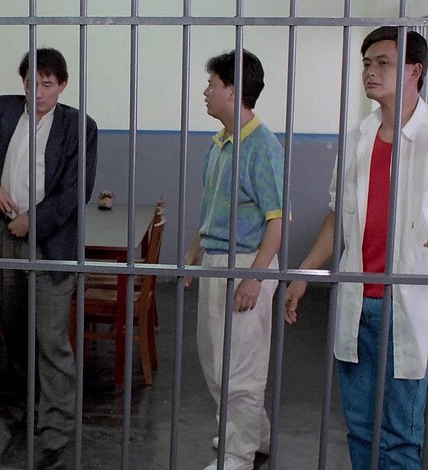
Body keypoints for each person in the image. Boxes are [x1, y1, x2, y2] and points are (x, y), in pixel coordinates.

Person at [285, 27, 428, 469]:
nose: (370, 71)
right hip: (358, 301)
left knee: (401, 436)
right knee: (361, 429)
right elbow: (339, 218)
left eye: (383, 63)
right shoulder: (358, 138)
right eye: (367, 63)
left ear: (415, 71)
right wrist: (305, 273)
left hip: (410, 303)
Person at [0, 47, 98, 470]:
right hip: (2, 234)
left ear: (63, 85)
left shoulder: (79, 126)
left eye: (47, 84)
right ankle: (31, 405)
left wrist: (32, 222)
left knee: (50, 335)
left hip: (49, 241)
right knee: (15, 327)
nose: (37, 92)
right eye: (30, 82)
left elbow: (76, 191)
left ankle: (56, 427)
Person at [183, 49, 284, 470]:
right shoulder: (220, 144)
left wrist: (254, 278)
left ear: (234, 89)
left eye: (212, 84)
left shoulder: (262, 147)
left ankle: (238, 455)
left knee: (241, 367)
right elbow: (212, 208)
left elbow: (277, 222)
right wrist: (194, 253)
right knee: (216, 362)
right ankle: (251, 435)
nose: (205, 92)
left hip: (246, 262)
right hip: (216, 261)